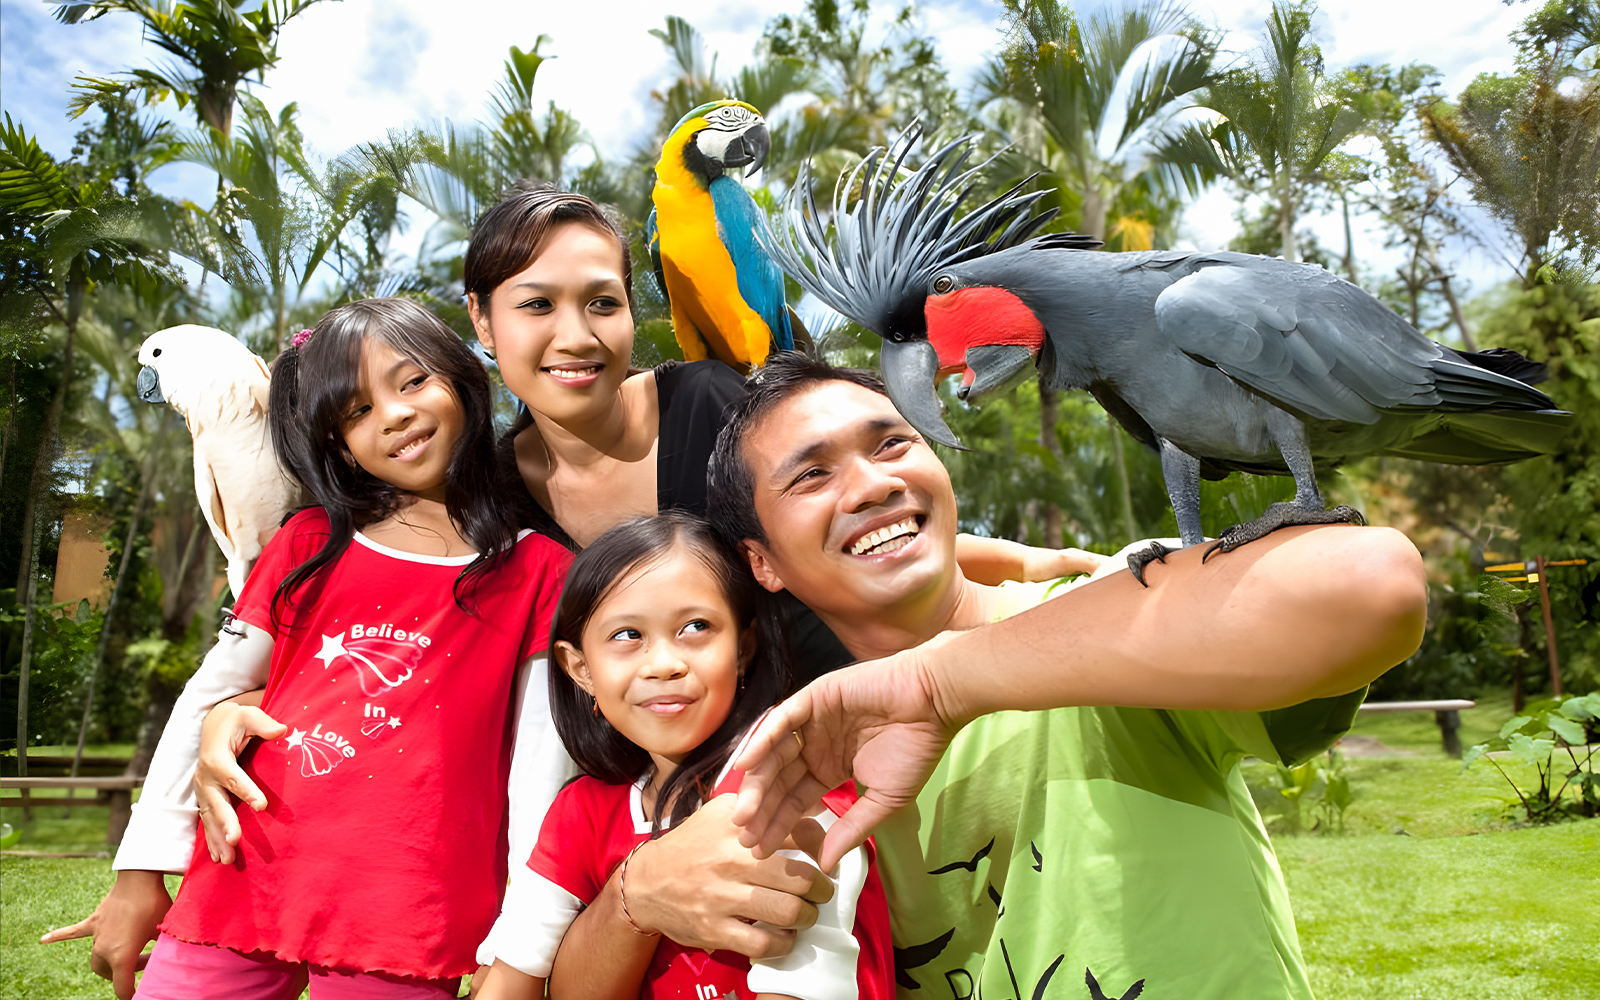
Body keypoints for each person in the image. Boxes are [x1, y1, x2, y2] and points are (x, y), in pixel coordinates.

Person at [544, 353, 1427, 999]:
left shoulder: (1106, 612)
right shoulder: (793, 755)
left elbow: (1370, 583)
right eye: (811, 475)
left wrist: (941, 684)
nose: (871, 486)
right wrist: (635, 896)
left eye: (893, 443)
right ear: (761, 563)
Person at [84, 299, 570, 999]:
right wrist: (139, 873)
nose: (394, 415)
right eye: (357, 411)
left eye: (413, 381)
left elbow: (538, 769)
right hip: (240, 873)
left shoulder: (540, 570)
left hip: (408, 909)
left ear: (464, 380)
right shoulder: (308, 544)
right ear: (337, 444)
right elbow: (209, 695)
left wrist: (519, 942)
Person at [477, 512, 894, 1000]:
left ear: (743, 648)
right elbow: (508, 983)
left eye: (696, 627)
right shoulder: (581, 815)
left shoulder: (789, 784)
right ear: (580, 669)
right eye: (627, 635)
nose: (663, 665)